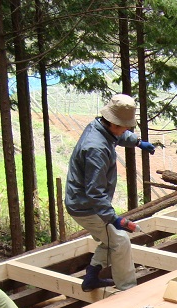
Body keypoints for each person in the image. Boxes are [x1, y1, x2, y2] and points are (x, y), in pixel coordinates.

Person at [65, 94, 156, 292]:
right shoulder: (96, 149)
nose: (126, 130)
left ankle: (91, 276)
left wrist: (138, 142)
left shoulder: (101, 127)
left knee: (112, 239)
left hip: (87, 201)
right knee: (120, 240)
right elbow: (94, 192)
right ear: (113, 123)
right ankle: (128, 290)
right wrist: (113, 218)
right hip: (85, 206)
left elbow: (119, 135)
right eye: (124, 126)